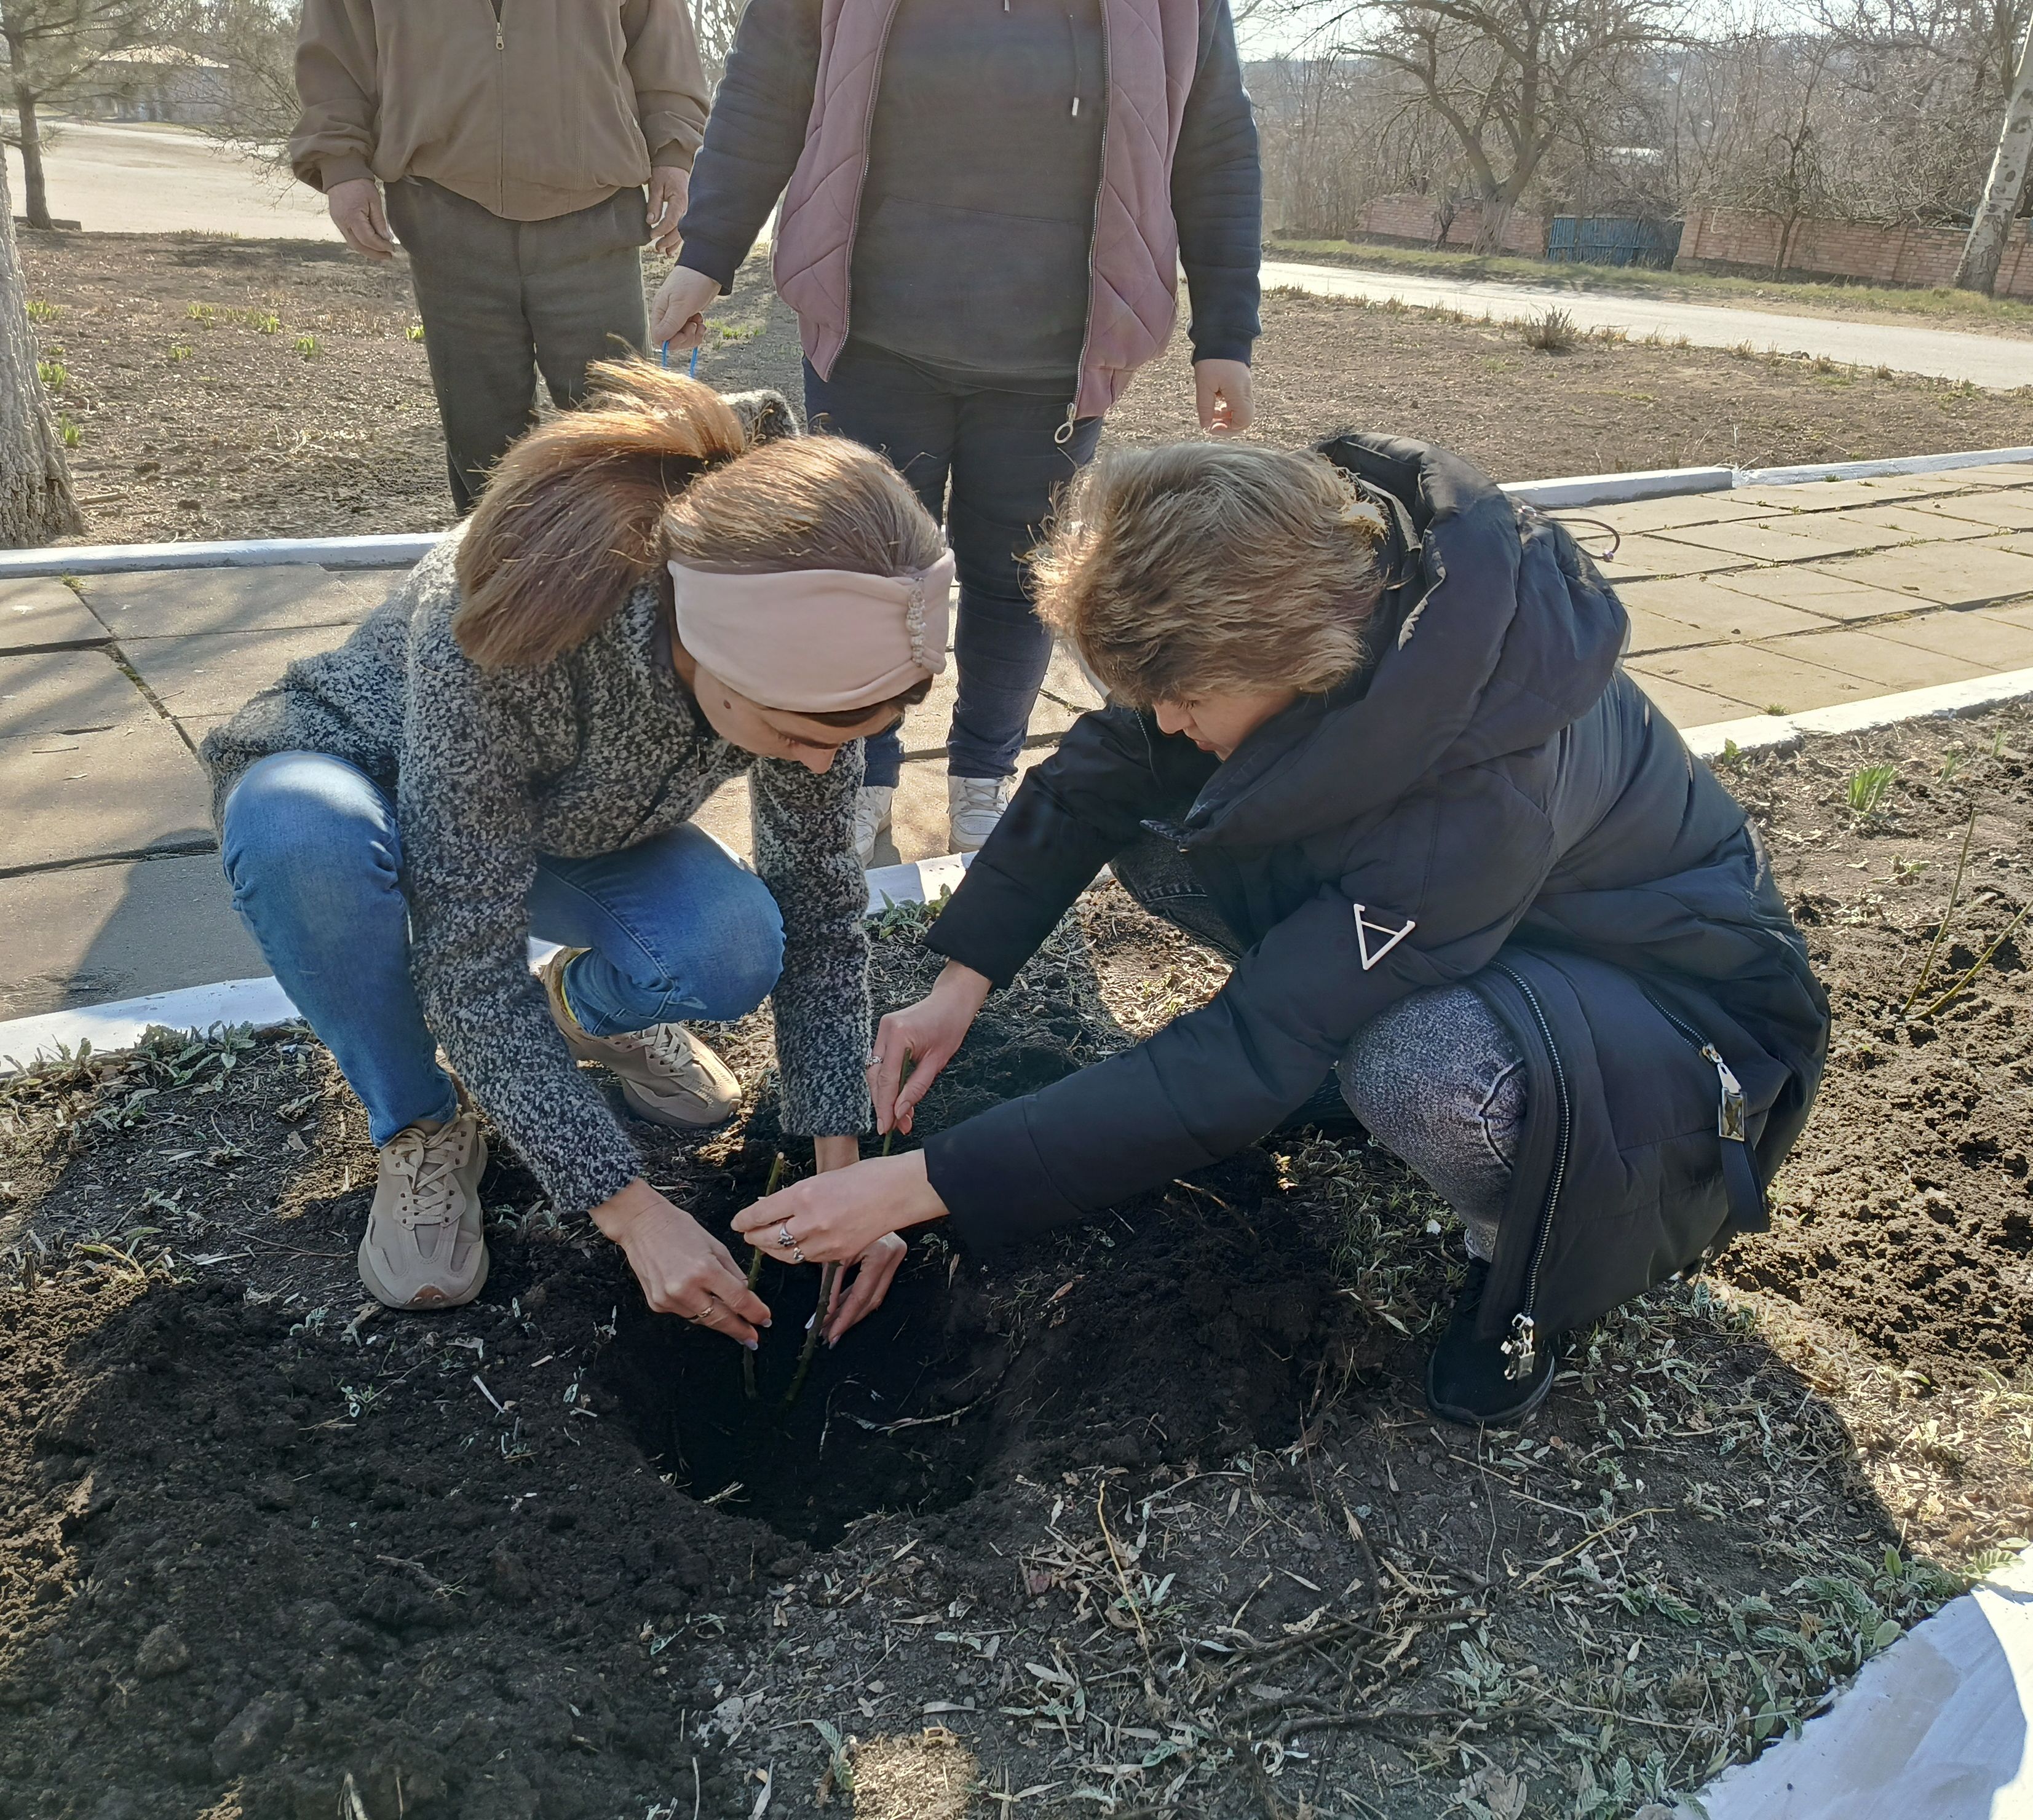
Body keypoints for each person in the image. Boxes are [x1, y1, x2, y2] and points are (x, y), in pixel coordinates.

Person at [728, 434, 1833, 1426]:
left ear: (1289, 658)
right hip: (1491, 929)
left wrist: (919, 1184)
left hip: (1669, 1021)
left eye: (1183, 696)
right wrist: (959, 979)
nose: (1162, 718)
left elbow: (1239, 1057)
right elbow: (1101, 770)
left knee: (1419, 1069)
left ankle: (1525, 1234)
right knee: (1171, 818)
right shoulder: (1312, 602)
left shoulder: (1479, 798)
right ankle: (1347, 1030)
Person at [200, 365, 953, 1340]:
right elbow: (469, 963)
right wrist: (634, 1216)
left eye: (848, 738)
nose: (824, 763)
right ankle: (420, 1126)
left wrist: (845, 1183)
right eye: (800, 734)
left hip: (561, 822)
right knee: (297, 832)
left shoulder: (802, 666)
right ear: (712, 653)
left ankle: (583, 1012)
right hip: (365, 781)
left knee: (727, 946)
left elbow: (818, 916)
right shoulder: (527, 620)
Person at [648, 0, 1262, 865]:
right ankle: (860, 775)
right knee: (860, 575)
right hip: (869, 334)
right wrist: (706, 252)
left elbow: (1214, 140)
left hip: (1056, 356)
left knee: (1020, 584)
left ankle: (984, 779)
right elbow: (766, 85)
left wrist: (1225, 335)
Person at [289, 0, 711, 512]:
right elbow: (336, 45)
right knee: (482, 449)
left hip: (595, 216)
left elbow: (661, 43)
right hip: (442, 211)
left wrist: (674, 152)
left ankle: (627, 586)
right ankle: (494, 585)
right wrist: (340, 163)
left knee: (624, 439)